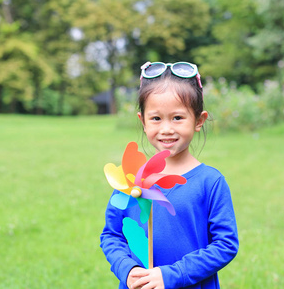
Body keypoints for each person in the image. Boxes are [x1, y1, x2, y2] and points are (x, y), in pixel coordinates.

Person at [100, 61, 239, 289]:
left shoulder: (210, 182)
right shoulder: (131, 180)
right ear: (142, 121)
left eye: (177, 118)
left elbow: (225, 245)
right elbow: (112, 235)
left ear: (199, 121)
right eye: (156, 118)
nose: (166, 129)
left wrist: (174, 274)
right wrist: (127, 269)